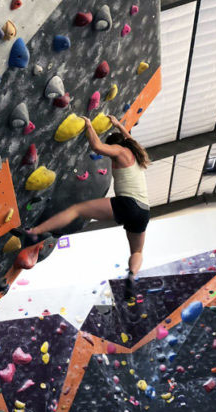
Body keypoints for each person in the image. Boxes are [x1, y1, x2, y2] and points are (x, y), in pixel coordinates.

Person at [12, 115, 150, 296]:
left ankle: (34, 231)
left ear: (116, 144)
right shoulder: (137, 155)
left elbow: (97, 147)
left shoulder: (120, 150)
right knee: (137, 250)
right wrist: (118, 125)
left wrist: (88, 126)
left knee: (76, 209)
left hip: (131, 204)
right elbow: (130, 139)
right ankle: (132, 274)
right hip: (142, 212)